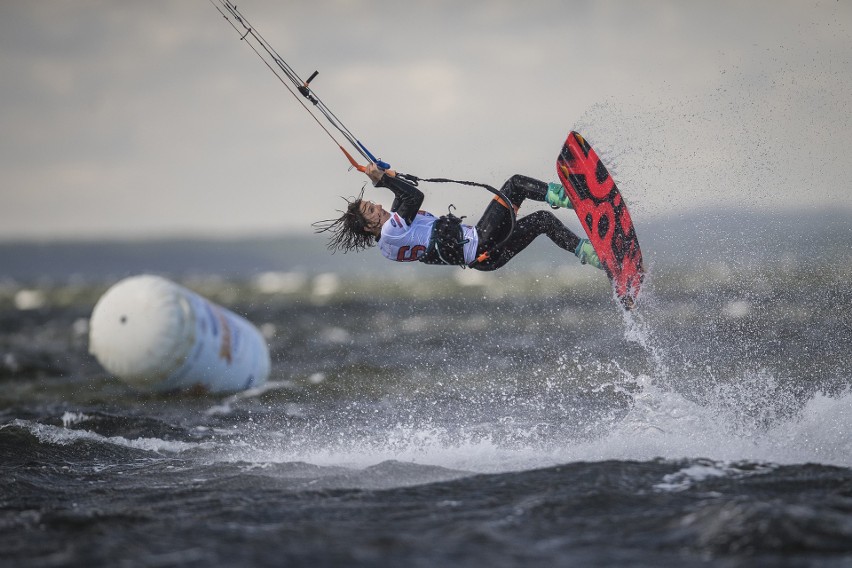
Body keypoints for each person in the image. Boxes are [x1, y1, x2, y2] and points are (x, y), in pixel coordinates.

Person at [314, 163, 603, 272]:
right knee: (514, 184)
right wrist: (384, 181)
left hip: (485, 259)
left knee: (542, 220)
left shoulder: (388, 242)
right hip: (481, 242)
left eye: (371, 203)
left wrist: (385, 177)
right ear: (368, 227)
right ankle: (571, 197)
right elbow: (413, 198)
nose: (376, 206)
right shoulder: (391, 231)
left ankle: (593, 256)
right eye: (370, 210)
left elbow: (404, 199)